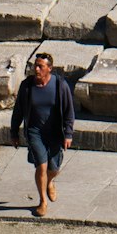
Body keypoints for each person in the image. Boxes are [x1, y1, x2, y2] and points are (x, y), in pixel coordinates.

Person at [10, 52, 75, 219]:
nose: (36, 69)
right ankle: (42, 201)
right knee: (42, 166)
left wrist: (68, 133)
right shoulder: (26, 86)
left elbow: (69, 111)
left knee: (54, 169)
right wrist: (14, 131)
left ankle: (50, 182)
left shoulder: (60, 85)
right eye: (35, 66)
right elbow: (18, 111)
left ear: (49, 69)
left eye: (40, 66)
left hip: (54, 132)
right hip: (34, 131)